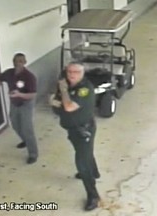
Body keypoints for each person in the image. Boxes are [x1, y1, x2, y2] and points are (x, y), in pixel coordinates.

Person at [49, 62, 101, 211]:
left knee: (82, 163)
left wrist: (63, 91)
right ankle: (95, 172)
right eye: (69, 71)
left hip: (83, 130)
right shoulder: (68, 86)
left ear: (82, 73)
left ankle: (93, 196)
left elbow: (69, 106)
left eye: (76, 72)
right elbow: (58, 103)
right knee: (85, 152)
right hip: (73, 129)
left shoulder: (84, 89)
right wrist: (57, 100)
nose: (72, 74)